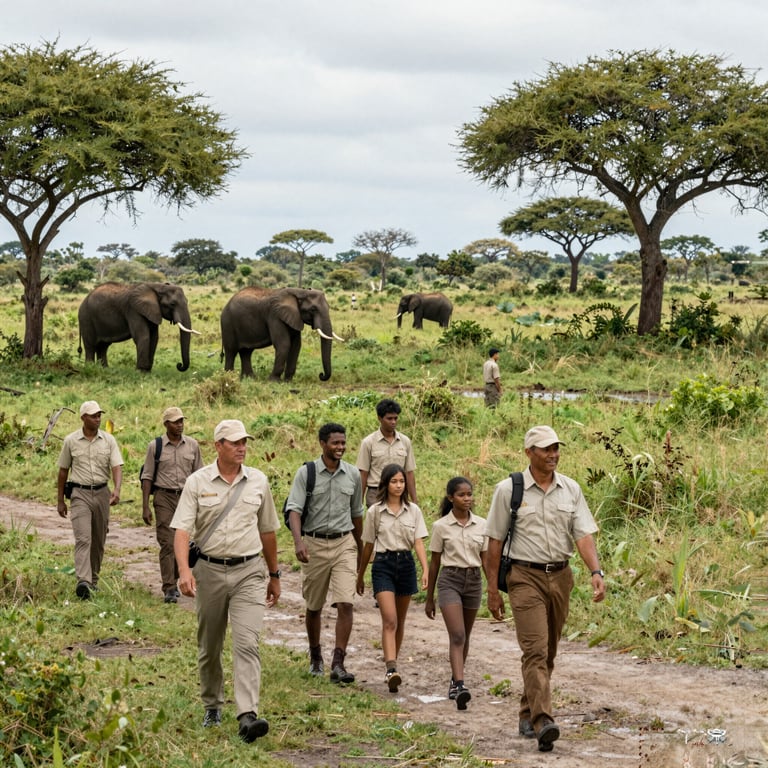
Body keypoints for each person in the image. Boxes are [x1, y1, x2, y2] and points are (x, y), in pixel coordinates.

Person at [484, 425, 606, 753]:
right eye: (545, 449)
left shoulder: (570, 489)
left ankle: (526, 712)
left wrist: (596, 570)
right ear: (529, 452)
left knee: (548, 651)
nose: (553, 454)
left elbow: (583, 534)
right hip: (524, 577)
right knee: (535, 649)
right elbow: (493, 542)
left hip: (561, 577)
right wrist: (493, 590)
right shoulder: (508, 489)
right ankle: (543, 721)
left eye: (556, 448)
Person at [171, 419, 280, 743]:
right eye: (234, 443)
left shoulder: (258, 481)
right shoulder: (197, 482)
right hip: (210, 571)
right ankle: (212, 704)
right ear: (218, 445)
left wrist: (274, 575)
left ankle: (247, 714)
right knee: (210, 645)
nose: (242, 447)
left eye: (244, 441)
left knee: (247, 642)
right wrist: (184, 571)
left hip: (249, 570)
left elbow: (268, 531)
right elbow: (181, 531)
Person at [285, 422, 364, 683]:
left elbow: (357, 515)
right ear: (322, 443)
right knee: (314, 606)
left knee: (345, 603)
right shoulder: (306, 473)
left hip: (344, 543)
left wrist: (362, 550)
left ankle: (338, 662)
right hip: (314, 544)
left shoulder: (352, 474)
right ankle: (315, 655)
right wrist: (299, 542)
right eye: (335, 443)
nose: (340, 447)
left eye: (343, 443)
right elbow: (294, 510)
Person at [356, 463, 428, 693]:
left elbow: (418, 542)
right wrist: (360, 575)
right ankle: (391, 668)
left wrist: (425, 569)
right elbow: (368, 545)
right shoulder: (375, 512)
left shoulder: (413, 511)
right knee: (389, 619)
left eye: (401, 481)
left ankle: (393, 665)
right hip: (383, 565)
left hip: (405, 564)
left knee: (400, 621)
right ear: (385, 484)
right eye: (394, 481)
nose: (398, 486)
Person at [424, 476, 487, 710]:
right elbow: (435, 562)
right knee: (458, 634)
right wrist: (429, 597)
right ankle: (460, 685)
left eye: (469, 494)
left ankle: (455, 678)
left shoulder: (482, 524)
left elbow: (486, 558)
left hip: (473, 581)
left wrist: (493, 589)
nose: (467, 498)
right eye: (462, 495)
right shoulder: (441, 527)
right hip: (450, 580)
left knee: (465, 635)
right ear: (451, 498)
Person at [57, 400, 123, 600]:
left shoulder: (109, 440)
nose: (98, 418)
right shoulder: (71, 441)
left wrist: (117, 489)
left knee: (98, 540)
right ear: (83, 418)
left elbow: (116, 467)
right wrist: (60, 500)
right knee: (83, 538)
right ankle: (83, 581)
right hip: (79, 493)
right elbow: (63, 471)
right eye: (93, 415)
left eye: (99, 415)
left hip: (102, 492)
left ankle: (92, 580)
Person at [141, 406, 203, 604]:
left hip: (187, 497)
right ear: (166, 424)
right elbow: (147, 476)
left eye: (181, 421)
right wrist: (145, 506)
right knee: (167, 542)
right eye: (175, 422)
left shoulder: (192, 445)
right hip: (164, 497)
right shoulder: (156, 446)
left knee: (184, 541)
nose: (180, 425)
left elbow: (200, 476)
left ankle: (179, 578)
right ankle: (169, 587)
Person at [356, 398, 418, 508]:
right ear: (379, 418)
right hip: (376, 493)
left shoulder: (405, 441)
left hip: (399, 492)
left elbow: (409, 472)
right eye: (389, 418)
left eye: (395, 418)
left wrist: (414, 500)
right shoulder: (368, 442)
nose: (393, 422)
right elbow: (363, 474)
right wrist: (358, 502)